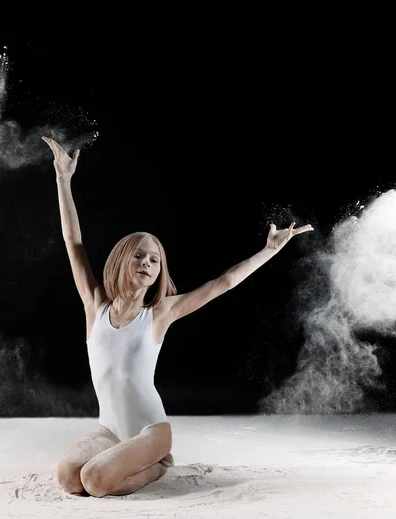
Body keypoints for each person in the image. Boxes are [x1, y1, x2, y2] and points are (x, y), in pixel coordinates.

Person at [42, 136, 313, 498]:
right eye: (139, 256)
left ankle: (157, 466)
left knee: (95, 481)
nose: (146, 264)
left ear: (159, 270)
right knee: (68, 478)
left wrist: (269, 251)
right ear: (123, 260)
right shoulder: (96, 305)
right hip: (109, 429)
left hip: (150, 432)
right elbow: (72, 240)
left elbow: (223, 283)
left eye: (154, 260)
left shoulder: (160, 313)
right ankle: (122, 460)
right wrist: (63, 179)